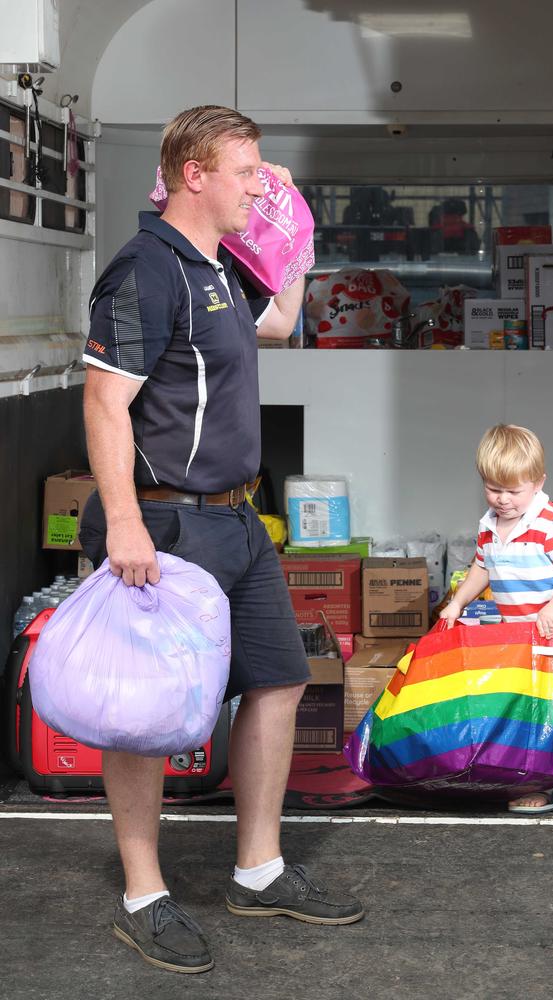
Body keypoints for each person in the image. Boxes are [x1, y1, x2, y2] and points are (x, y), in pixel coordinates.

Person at [80, 105, 364, 975]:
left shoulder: (217, 267)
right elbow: (102, 401)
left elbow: (273, 323)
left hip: (238, 517)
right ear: (194, 174)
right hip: (164, 521)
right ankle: (143, 894)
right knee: (145, 711)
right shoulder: (145, 270)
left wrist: (301, 251)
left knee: (278, 678)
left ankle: (259, 869)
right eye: (248, 172)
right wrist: (124, 520)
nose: (262, 188)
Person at [439, 424, 553, 814]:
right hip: (518, 636)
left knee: (552, 710)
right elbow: (480, 568)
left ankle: (545, 786)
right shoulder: (488, 525)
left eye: (513, 491)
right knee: (522, 707)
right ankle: (520, 773)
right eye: (493, 489)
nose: (503, 500)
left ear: (538, 483)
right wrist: (457, 603)